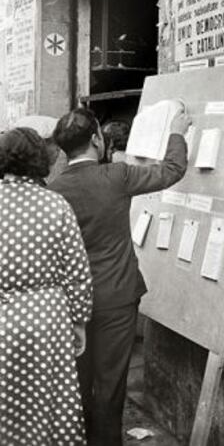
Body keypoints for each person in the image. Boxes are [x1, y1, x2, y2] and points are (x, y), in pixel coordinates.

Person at [49, 106, 191, 446]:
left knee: (77, 381)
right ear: (97, 139)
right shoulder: (117, 176)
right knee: (111, 383)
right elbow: (172, 170)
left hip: (70, 304)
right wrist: (176, 131)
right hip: (117, 297)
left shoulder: (53, 190)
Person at [0, 127, 93, 446]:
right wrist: (79, 321)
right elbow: (77, 271)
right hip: (49, 319)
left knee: (7, 399)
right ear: (41, 160)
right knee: (52, 399)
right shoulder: (55, 205)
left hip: (4, 319)